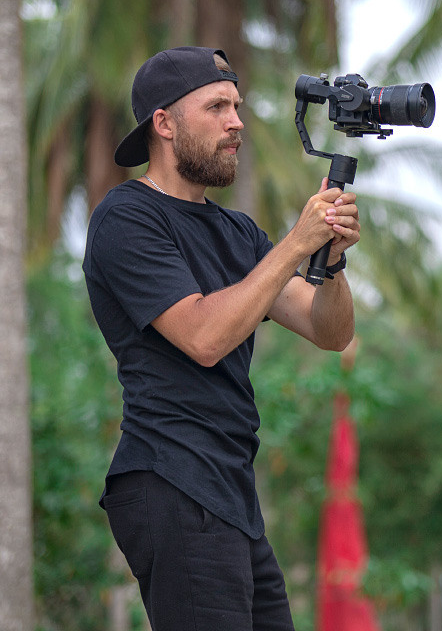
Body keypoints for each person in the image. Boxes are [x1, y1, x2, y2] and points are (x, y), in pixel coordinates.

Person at [83, 46, 360, 631]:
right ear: (164, 123)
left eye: (237, 105)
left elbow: (329, 331)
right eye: (216, 107)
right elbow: (204, 336)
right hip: (170, 481)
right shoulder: (127, 218)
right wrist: (293, 244)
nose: (237, 122)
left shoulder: (237, 233)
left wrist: (329, 262)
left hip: (230, 490)